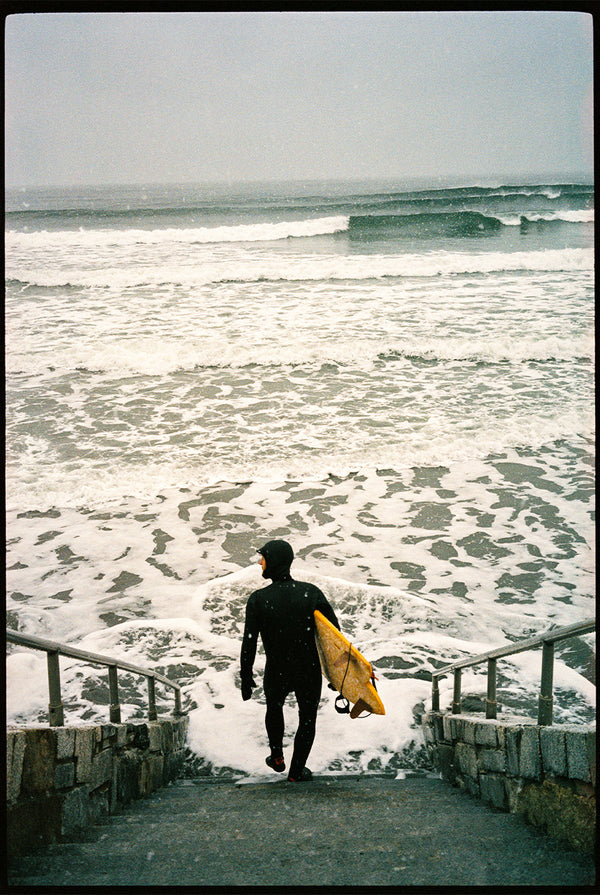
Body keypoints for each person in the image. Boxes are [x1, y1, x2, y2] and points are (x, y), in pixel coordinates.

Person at [240, 539, 340, 782]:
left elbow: (249, 641)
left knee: (274, 709)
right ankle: (296, 772)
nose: (260, 563)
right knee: (308, 717)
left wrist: (246, 675)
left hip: (277, 669)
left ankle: (276, 756)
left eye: (263, 558)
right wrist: (337, 675)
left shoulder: (258, 599)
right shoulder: (311, 593)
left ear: (273, 561)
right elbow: (334, 635)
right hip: (308, 669)